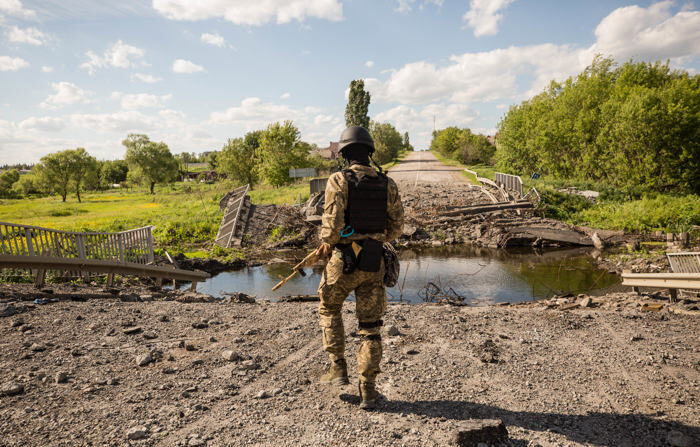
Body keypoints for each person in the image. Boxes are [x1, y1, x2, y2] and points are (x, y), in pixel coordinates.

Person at [315, 125, 404, 409]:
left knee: (329, 309)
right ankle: (368, 389)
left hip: (341, 263)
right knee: (370, 328)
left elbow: (330, 232)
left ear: (344, 153)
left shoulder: (337, 181)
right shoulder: (387, 183)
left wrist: (334, 240)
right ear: (369, 152)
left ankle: (337, 368)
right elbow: (397, 228)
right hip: (373, 263)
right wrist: (373, 240)